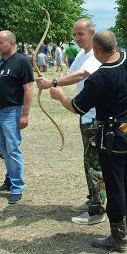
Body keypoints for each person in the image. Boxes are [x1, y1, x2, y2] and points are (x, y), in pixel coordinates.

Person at [49, 30, 127, 252]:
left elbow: (76, 107)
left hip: (111, 137)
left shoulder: (100, 77)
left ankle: (118, 239)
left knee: (115, 186)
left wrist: (60, 96)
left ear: (97, 51)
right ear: (115, 45)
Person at [36, 18, 106, 225]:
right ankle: (93, 199)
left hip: (95, 116)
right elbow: (70, 73)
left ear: (92, 33)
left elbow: (82, 74)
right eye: (75, 34)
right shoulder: (83, 54)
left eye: (80, 34)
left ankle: (98, 210)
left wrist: (53, 82)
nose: (76, 38)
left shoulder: (96, 55)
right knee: (89, 161)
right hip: (86, 115)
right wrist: (52, 81)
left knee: (95, 164)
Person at [0, 30, 34, 204]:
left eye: (0, 43)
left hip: (11, 112)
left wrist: (25, 114)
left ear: (11, 43)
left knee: (13, 148)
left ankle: (17, 186)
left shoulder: (22, 61)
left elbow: (28, 89)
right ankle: (9, 179)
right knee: (3, 148)